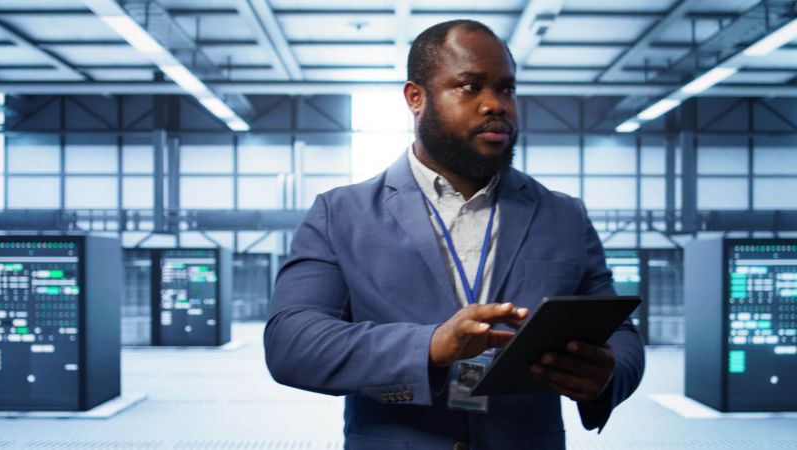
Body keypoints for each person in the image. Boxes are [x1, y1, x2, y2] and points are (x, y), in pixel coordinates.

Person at [265, 19, 645, 450]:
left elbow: (622, 336)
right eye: (470, 86)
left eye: (506, 89)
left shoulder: (563, 215)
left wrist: (606, 378)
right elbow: (292, 343)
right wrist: (430, 346)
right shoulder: (340, 213)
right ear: (415, 97)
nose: (496, 105)